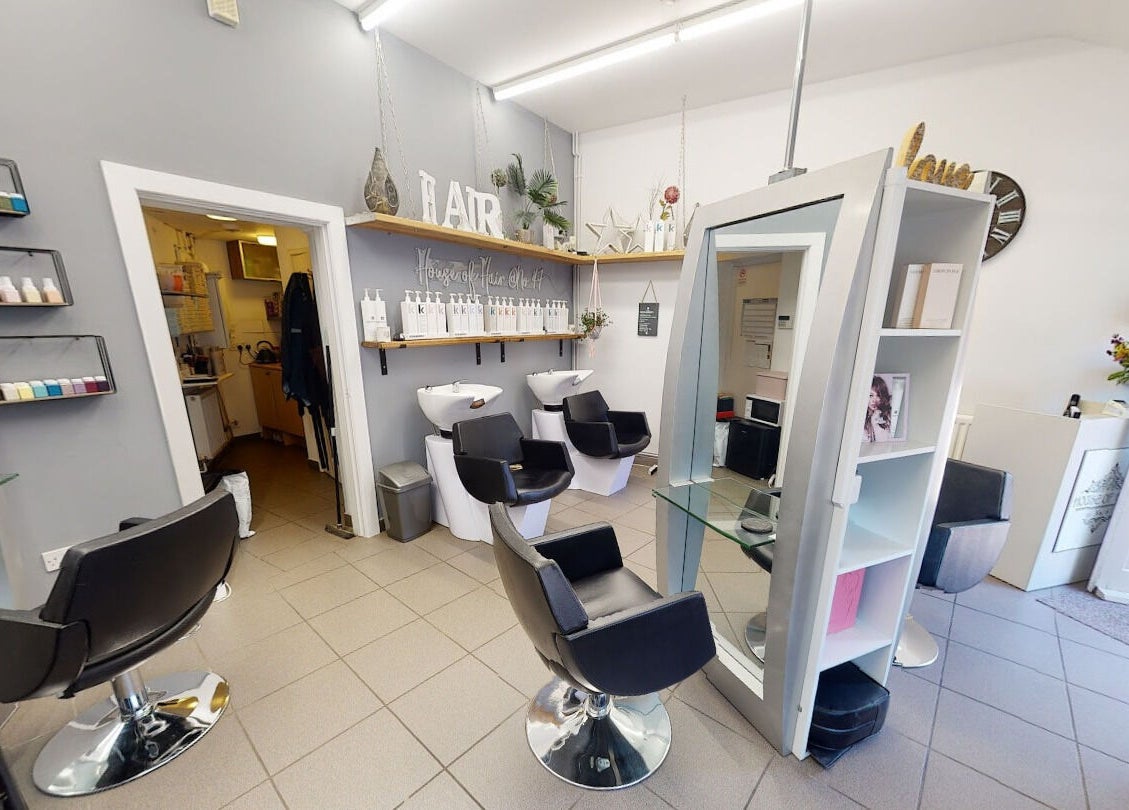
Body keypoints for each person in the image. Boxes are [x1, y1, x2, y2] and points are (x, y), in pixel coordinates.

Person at [864, 375, 893, 443]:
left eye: (878, 396)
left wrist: (875, 421)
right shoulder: (861, 417)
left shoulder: (886, 415)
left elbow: (883, 442)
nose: (874, 400)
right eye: (871, 395)